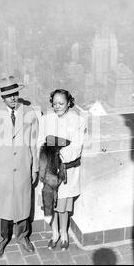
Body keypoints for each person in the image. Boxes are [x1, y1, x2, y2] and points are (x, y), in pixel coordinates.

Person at [0, 75, 39, 258]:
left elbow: (34, 143)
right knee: (1, 208)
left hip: (22, 167)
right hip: (1, 171)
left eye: (15, 94)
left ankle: (22, 237)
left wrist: (34, 166)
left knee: (22, 205)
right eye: (9, 95)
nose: (13, 98)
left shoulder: (28, 112)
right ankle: (0, 241)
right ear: (2, 97)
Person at [37, 89, 87, 250]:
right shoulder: (45, 120)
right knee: (50, 203)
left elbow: (76, 146)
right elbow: (40, 142)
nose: (57, 106)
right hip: (49, 169)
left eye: (61, 103)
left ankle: (64, 234)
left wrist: (58, 157)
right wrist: (48, 158)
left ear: (68, 103)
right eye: (55, 103)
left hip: (66, 169)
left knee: (63, 205)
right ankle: (55, 233)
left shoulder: (78, 120)